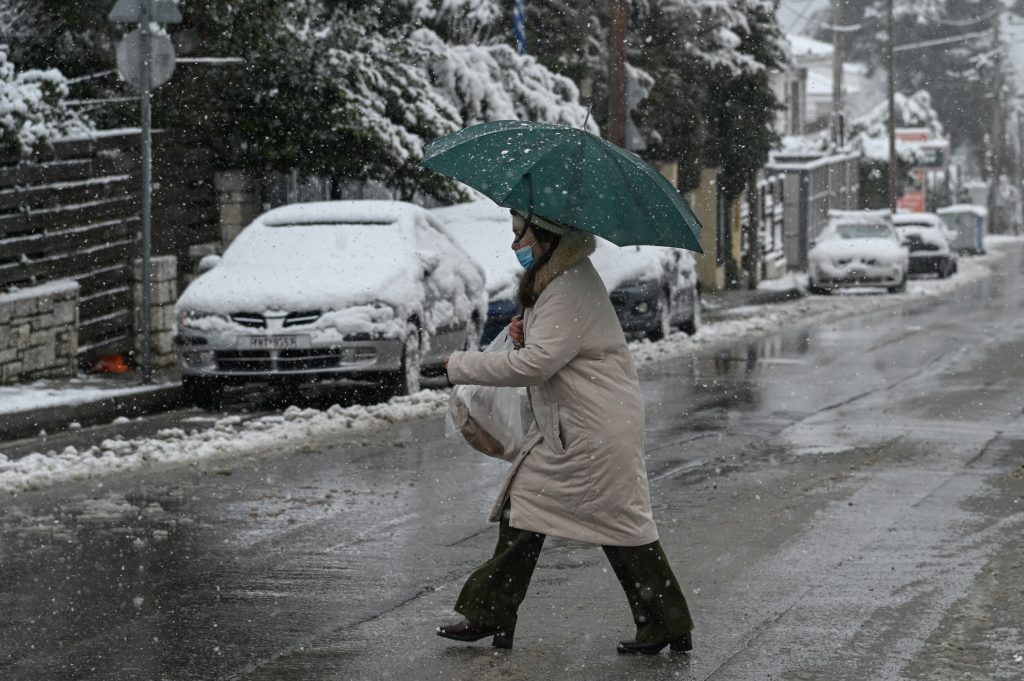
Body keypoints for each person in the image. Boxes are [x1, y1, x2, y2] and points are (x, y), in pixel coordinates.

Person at [437, 208, 694, 655]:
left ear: (549, 236)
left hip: (592, 430)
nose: (516, 244)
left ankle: (665, 621)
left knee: (617, 524)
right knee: (533, 510)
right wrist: (524, 333)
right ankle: (494, 613)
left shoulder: (568, 285)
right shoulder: (561, 281)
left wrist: (459, 366)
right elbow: (551, 349)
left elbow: (538, 364)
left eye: (521, 234)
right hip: (577, 427)